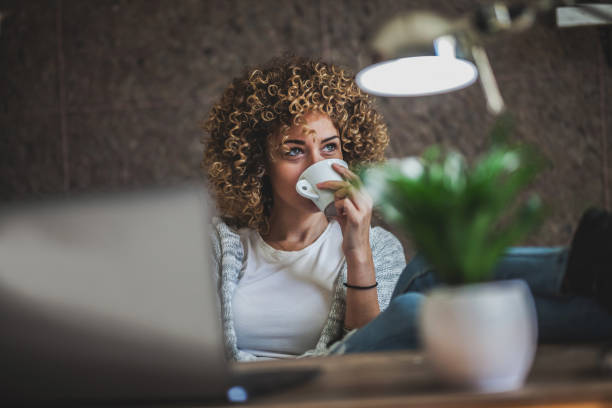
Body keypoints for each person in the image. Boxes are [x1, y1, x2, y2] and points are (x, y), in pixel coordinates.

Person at [201, 55, 612, 362]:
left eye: (329, 147)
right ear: (258, 163)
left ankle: (588, 275)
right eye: (294, 150)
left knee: (429, 272)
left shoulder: (377, 245)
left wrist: (356, 248)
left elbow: (381, 353)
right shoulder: (219, 246)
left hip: (340, 386)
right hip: (270, 388)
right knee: (418, 310)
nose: (316, 165)